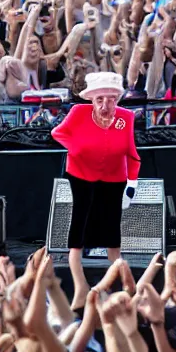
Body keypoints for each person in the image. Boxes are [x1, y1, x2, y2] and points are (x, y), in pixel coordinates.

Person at [51, 71, 141, 308]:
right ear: (91, 99)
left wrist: (132, 183)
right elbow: (57, 133)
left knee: (111, 231)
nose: (105, 104)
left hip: (114, 177)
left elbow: (131, 152)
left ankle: (117, 285)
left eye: (110, 99)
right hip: (81, 174)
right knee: (79, 227)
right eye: (100, 99)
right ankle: (80, 287)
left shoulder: (124, 118)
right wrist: (76, 147)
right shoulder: (79, 113)